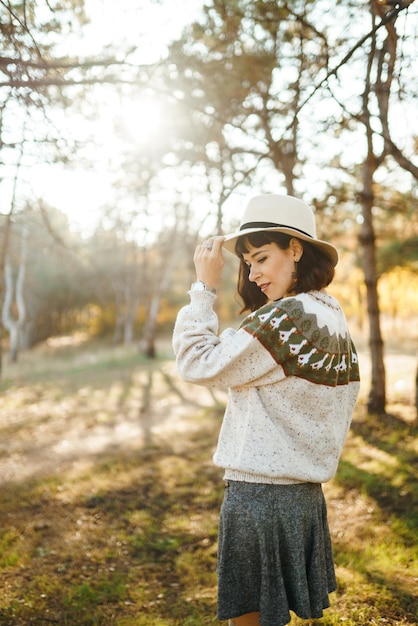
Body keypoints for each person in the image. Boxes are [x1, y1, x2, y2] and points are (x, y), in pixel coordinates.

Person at [172, 193, 360, 626]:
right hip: (302, 497)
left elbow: (196, 363)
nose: (254, 274)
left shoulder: (286, 320)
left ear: (295, 249)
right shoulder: (330, 313)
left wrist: (203, 288)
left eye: (262, 258)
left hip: (260, 496)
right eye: (249, 264)